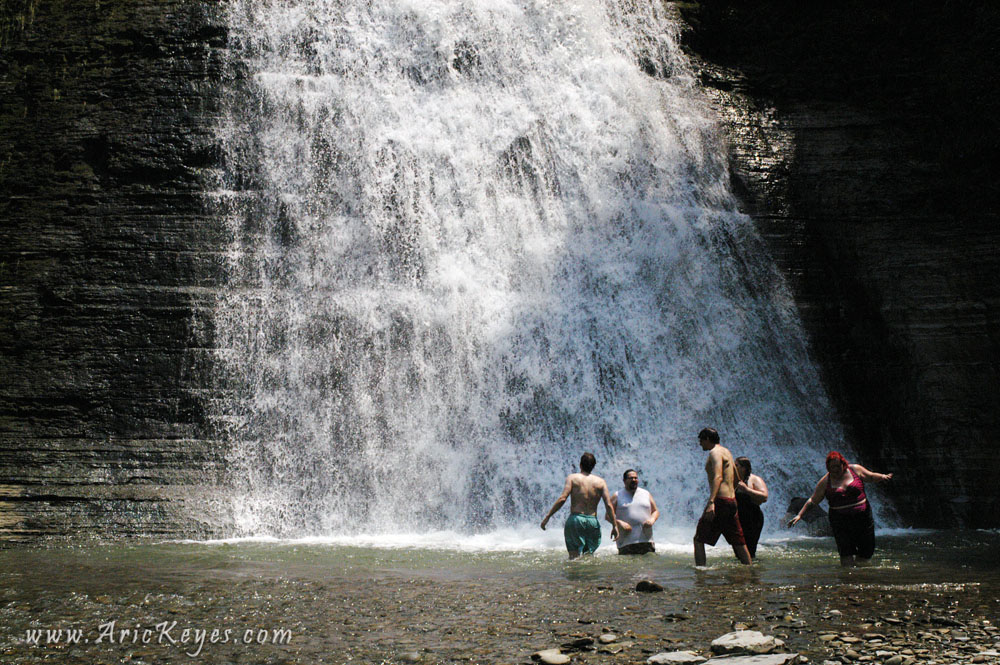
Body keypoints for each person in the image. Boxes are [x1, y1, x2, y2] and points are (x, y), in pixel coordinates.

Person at [787, 450, 892, 566]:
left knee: (866, 551)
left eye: (838, 466)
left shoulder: (855, 470)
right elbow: (813, 500)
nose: (835, 469)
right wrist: (800, 515)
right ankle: (847, 578)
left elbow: (870, 477)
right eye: (832, 467)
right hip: (840, 520)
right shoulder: (825, 481)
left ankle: (862, 577)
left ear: (843, 464)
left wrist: (882, 477)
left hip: (862, 517)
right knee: (845, 552)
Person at [540, 452, 619, 559]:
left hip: (576, 520)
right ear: (593, 466)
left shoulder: (572, 478)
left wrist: (548, 516)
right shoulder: (601, 482)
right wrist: (614, 526)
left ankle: (575, 576)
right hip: (592, 521)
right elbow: (609, 505)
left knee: (573, 557)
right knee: (588, 557)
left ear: (580, 465)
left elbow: (563, 498)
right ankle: (588, 576)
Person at [693, 428, 752, 566]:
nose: (700, 444)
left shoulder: (715, 453)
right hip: (730, 501)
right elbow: (737, 479)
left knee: (698, 539)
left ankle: (700, 572)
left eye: (701, 440)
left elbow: (718, 476)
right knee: (739, 542)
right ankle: (750, 570)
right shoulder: (727, 452)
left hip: (720, 501)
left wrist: (712, 502)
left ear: (707, 439)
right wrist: (732, 499)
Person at [611, 469, 660, 555]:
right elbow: (608, 515)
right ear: (624, 481)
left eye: (635, 478)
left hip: (646, 541)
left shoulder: (646, 493)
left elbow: (655, 511)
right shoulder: (617, 495)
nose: (634, 480)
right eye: (630, 478)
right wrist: (619, 522)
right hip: (626, 542)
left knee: (649, 567)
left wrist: (652, 520)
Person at [734, 456, 769, 559]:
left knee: (750, 549)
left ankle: (752, 572)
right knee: (738, 551)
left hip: (753, 518)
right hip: (737, 518)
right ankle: (740, 573)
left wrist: (746, 490)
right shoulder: (733, 480)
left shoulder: (754, 479)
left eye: (736, 465)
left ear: (744, 468)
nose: (733, 468)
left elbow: (764, 496)